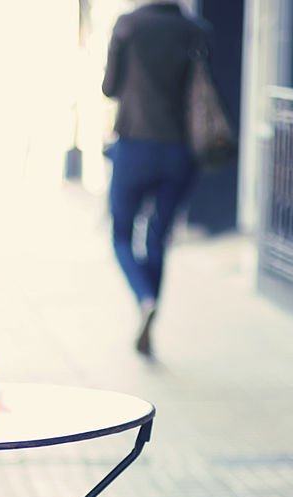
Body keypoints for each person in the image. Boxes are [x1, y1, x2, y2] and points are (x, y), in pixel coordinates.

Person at [102, 1, 207, 357]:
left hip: (135, 146)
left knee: (120, 233)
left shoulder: (129, 25)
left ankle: (144, 299)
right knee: (158, 237)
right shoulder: (194, 29)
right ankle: (150, 313)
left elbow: (109, 86)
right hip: (180, 151)